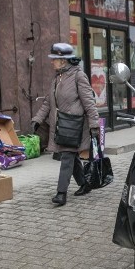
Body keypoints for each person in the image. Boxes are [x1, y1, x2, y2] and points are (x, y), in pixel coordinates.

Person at [31, 43, 100, 206]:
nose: (51, 62)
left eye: (54, 59)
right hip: (61, 126)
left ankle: (61, 193)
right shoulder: (57, 78)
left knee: (67, 158)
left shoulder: (78, 76)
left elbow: (89, 103)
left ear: (63, 60)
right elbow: (48, 103)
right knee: (71, 155)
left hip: (74, 126)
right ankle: (84, 184)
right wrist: (37, 120)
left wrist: (94, 125)